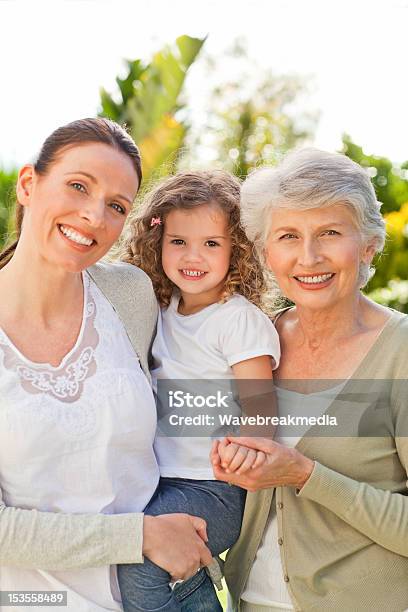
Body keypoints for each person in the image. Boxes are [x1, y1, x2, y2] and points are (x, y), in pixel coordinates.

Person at [0, 118, 215, 612]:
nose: (95, 216)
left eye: (117, 206)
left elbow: (191, 382)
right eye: (78, 186)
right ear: (29, 184)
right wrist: (138, 535)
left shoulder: (129, 294)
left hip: (160, 597)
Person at [211, 149, 408, 612]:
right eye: (288, 236)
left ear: (368, 244)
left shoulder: (400, 353)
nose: (309, 256)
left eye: (329, 233)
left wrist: (306, 474)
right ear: (265, 251)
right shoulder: (255, 342)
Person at [117, 170, 281, 612]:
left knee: (136, 562)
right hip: (157, 481)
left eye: (211, 243)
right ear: (158, 242)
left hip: (213, 487)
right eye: (178, 242)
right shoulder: (162, 306)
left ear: (237, 249)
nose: (194, 256)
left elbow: (261, 402)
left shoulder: (236, 319)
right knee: (120, 551)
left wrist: (250, 446)